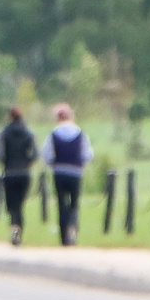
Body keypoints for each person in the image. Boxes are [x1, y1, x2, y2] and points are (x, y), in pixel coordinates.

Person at [41, 103, 93, 246]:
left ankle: (64, 237)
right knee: (74, 203)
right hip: (76, 172)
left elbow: (46, 155)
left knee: (61, 204)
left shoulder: (53, 133)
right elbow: (88, 155)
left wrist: (53, 163)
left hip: (59, 172)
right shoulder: (80, 133)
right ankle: (73, 228)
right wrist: (80, 164)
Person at [0, 106, 38, 245]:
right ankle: (19, 229)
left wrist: (6, 162)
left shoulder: (4, 133)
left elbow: (0, 154)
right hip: (24, 173)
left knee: (11, 204)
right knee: (20, 204)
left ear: (10, 117)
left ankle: (14, 227)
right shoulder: (29, 133)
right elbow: (35, 154)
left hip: (9, 172)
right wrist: (27, 163)